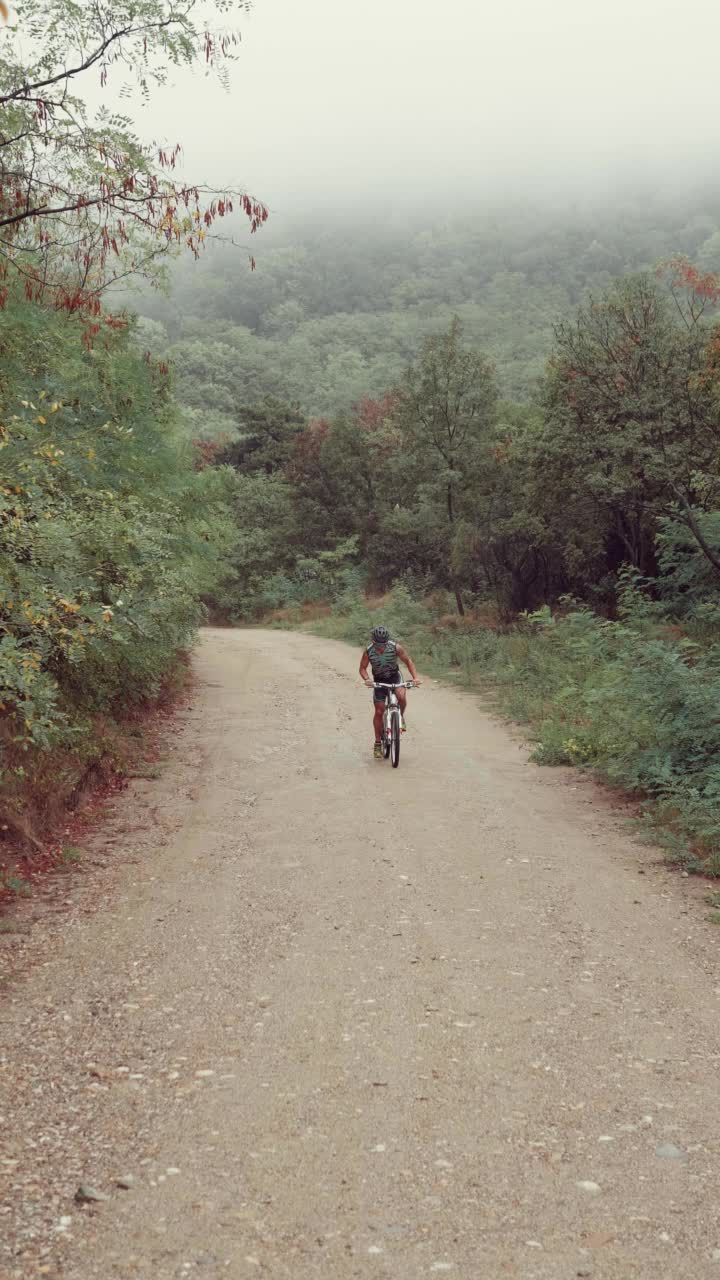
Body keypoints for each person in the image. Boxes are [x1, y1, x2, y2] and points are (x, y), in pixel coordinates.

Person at [359, 624, 422, 759]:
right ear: (373, 641)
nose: (381, 647)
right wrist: (367, 679)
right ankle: (377, 743)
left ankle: (400, 717)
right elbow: (362, 668)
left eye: (383, 644)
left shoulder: (395, 647)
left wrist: (415, 678)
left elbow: (408, 661)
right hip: (379, 680)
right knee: (379, 711)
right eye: (378, 644)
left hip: (395, 676)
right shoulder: (368, 651)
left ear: (387, 641)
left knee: (401, 696)